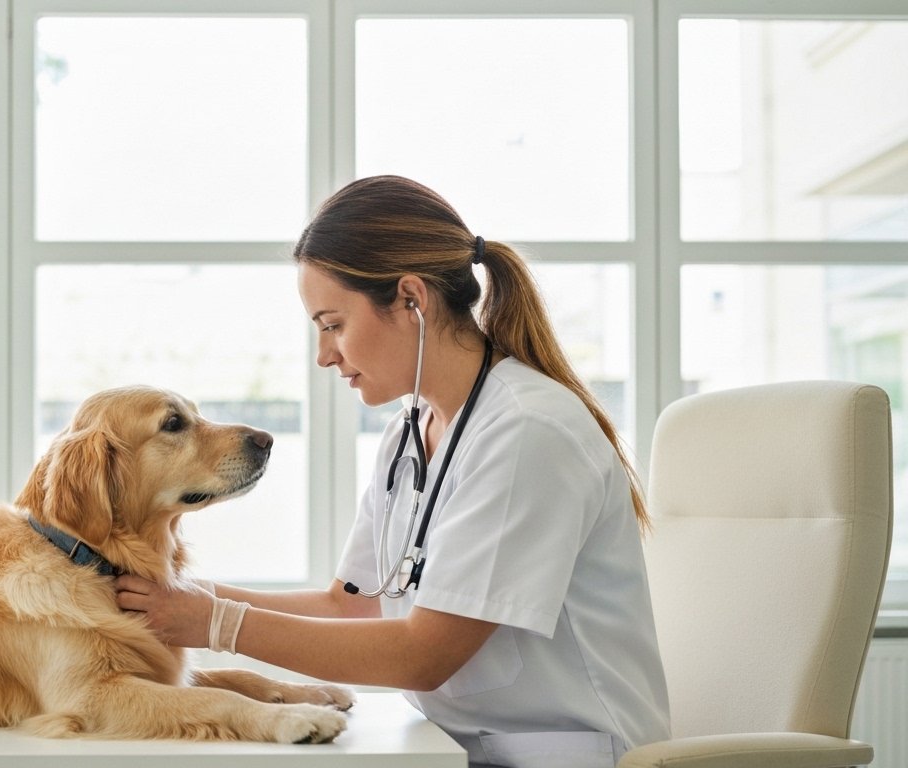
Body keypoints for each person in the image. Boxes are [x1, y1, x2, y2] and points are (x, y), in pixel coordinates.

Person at [114, 175, 671, 767]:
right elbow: (349, 606)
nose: (325, 355)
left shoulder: (529, 431)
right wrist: (174, 594)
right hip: (453, 748)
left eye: (333, 324)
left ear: (411, 299)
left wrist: (214, 623)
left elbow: (422, 654)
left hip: (564, 756)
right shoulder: (410, 432)